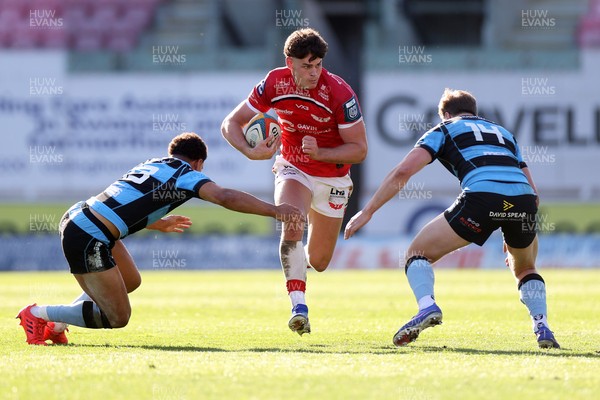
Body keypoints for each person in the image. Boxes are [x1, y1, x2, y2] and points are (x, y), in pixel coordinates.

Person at [17, 132, 303, 345]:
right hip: (90, 233)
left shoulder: (153, 164)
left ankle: (54, 325)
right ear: (199, 162)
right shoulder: (186, 174)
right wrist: (276, 210)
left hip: (83, 216)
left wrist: (158, 222)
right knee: (118, 318)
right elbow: (225, 196)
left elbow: (126, 200)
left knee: (131, 281)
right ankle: (39, 313)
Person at [344, 88, 560, 349]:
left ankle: (427, 307)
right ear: (474, 112)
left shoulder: (444, 129)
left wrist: (367, 211)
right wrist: (511, 224)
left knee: (417, 253)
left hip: (482, 196)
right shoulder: (504, 134)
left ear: (446, 114)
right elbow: (532, 194)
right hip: (523, 201)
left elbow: (403, 171)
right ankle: (542, 325)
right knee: (526, 268)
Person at [221, 28, 367, 335]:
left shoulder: (340, 93)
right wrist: (250, 151)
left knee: (320, 260)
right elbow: (231, 123)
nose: (314, 73)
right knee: (291, 218)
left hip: (333, 177)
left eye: (318, 65)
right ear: (290, 63)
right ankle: (298, 306)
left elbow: (360, 149)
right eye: (306, 66)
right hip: (293, 166)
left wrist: (322, 151)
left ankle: (306, 252)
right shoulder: (275, 82)